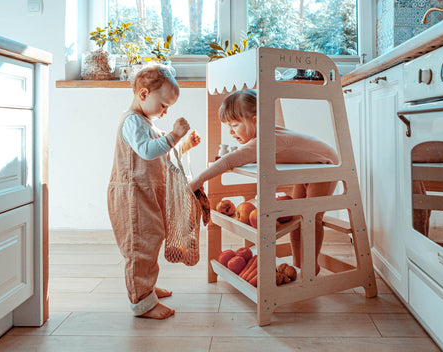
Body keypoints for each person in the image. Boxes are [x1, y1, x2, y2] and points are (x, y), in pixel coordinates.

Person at [189, 89, 338, 274]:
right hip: (307, 168)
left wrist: (198, 180)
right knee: (299, 218)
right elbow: (241, 157)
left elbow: (229, 161)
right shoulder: (262, 138)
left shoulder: (267, 139)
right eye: (228, 125)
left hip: (325, 166)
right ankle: (299, 265)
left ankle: (310, 266)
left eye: (235, 124)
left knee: (311, 218)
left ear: (256, 121)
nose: (230, 131)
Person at [107, 64, 201, 319]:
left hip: (147, 194)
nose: (166, 111)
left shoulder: (147, 123)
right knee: (140, 246)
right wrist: (174, 134)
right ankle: (141, 301)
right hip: (132, 196)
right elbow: (148, 150)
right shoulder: (132, 122)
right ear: (144, 94)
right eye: (163, 105)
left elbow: (164, 155)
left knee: (153, 238)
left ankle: (147, 287)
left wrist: (184, 144)